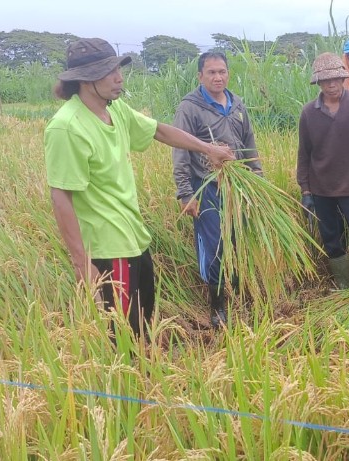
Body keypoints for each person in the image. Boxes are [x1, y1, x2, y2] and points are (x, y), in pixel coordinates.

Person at [44, 38, 233, 342]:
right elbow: (60, 196)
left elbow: (157, 130)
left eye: (119, 70)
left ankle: (145, 376)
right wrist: (82, 263)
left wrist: (207, 148)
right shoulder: (66, 127)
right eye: (111, 72)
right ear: (86, 79)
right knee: (122, 334)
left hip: (134, 238)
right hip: (107, 248)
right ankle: (128, 381)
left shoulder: (115, 110)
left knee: (142, 323)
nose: (119, 78)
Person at [171, 51, 263, 329]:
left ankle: (238, 290)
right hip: (206, 187)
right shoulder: (189, 108)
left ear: (228, 74)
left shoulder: (238, 105)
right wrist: (185, 193)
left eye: (222, 71)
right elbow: (180, 151)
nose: (217, 77)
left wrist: (257, 177)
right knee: (214, 246)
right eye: (211, 72)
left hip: (237, 187)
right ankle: (217, 304)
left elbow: (248, 142)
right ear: (200, 76)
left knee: (237, 240)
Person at [297, 52, 349, 289]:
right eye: (326, 80)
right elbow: (304, 153)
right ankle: (344, 287)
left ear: (343, 78)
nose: (332, 84)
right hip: (321, 189)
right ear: (318, 83)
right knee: (332, 240)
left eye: (336, 78)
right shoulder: (308, 113)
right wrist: (305, 190)